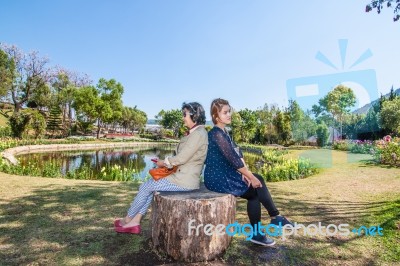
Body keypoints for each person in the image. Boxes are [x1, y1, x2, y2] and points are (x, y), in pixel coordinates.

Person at [204, 98, 293, 246]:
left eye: (229, 111)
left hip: (226, 174)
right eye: (225, 112)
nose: (229, 114)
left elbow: (238, 153)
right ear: (216, 116)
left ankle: (271, 221)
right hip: (217, 178)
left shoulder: (224, 132)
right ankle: (271, 221)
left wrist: (247, 174)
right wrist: (248, 176)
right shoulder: (216, 134)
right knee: (255, 192)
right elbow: (233, 159)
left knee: (258, 180)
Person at [114, 102, 208, 234]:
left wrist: (163, 162)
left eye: (184, 114)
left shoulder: (198, 133)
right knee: (149, 188)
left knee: (146, 187)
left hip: (184, 181)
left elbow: (182, 158)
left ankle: (128, 219)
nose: (183, 117)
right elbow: (182, 156)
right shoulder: (195, 132)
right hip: (180, 176)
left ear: (194, 115)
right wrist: (165, 162)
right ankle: (135, 221)